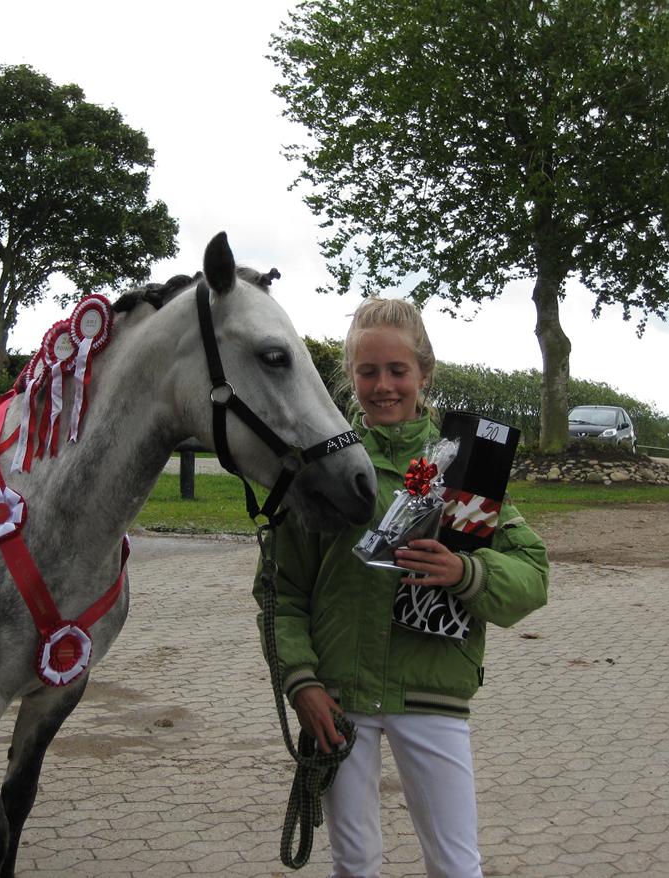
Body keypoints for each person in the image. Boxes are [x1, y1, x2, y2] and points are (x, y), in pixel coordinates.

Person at [253, 298, 549, 878]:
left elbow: (534, 574)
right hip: (338, 702)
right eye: (368, 372)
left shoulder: (463, 468)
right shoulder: (321, 471)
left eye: (397, 371)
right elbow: (279, 592)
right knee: (355, 863)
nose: (382, 386)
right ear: (349, 378)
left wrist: (468, 573)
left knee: (456, 865)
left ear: (423, 374)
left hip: (430, 695)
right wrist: (301, 681)